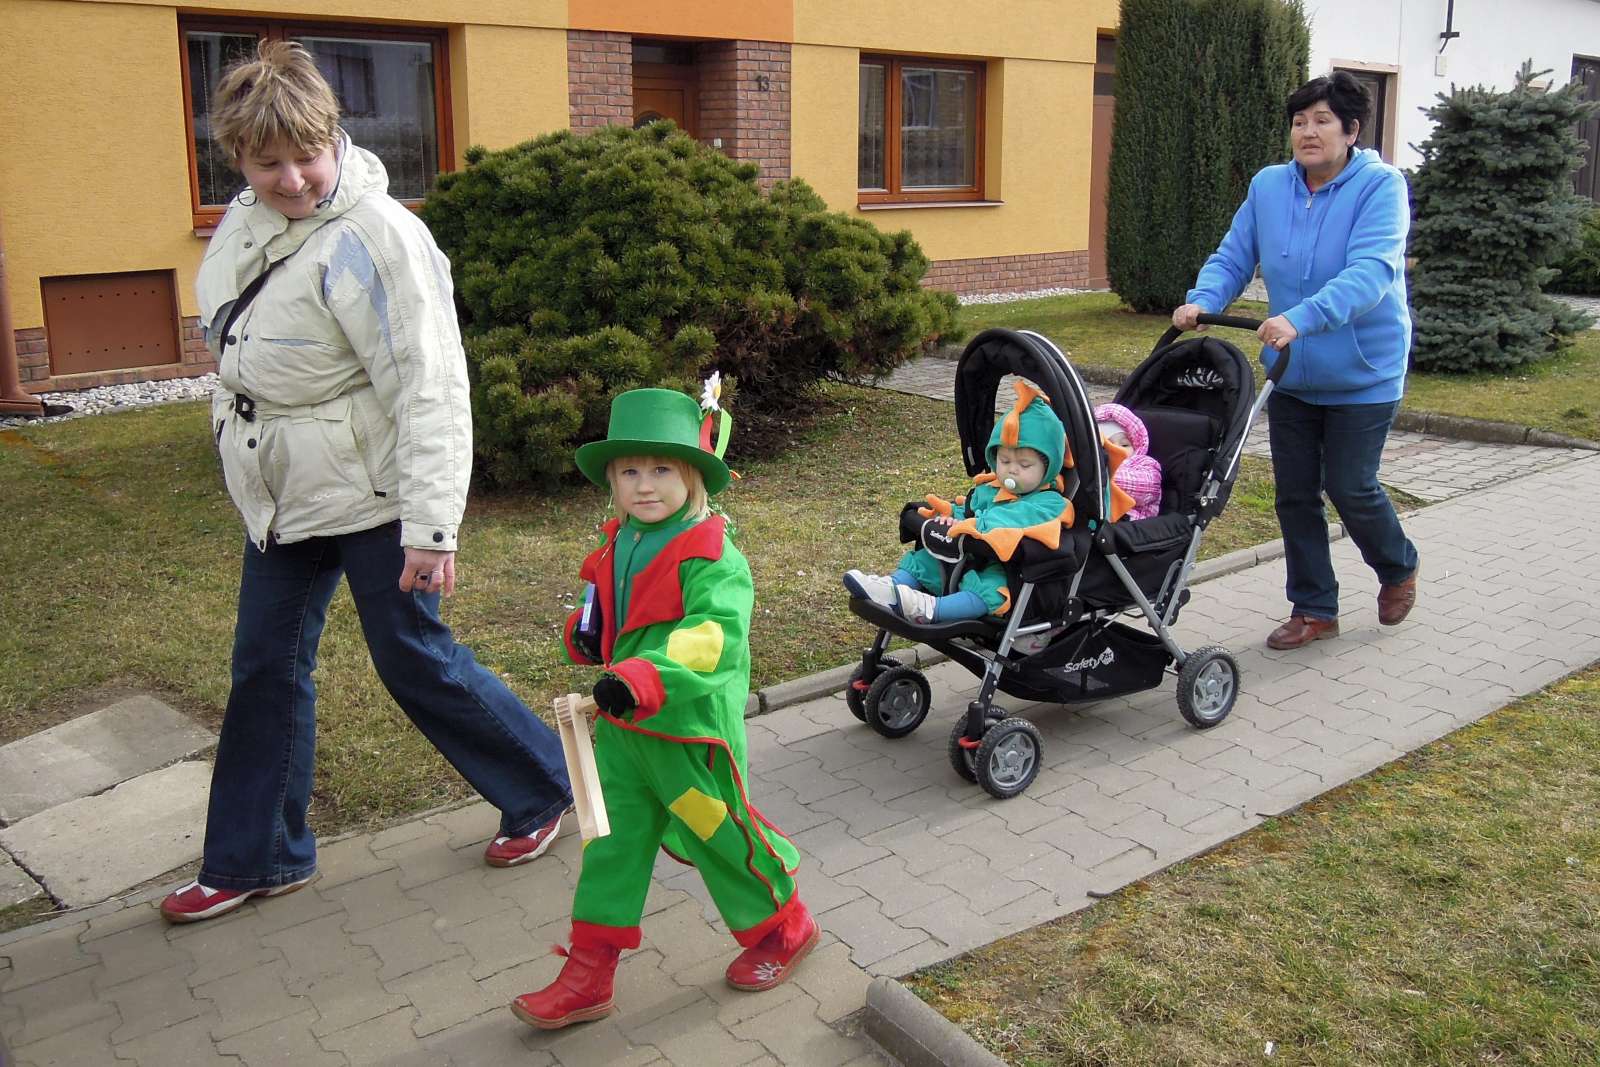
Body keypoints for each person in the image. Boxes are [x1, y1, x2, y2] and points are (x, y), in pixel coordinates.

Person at [161, 41, 572, 924]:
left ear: (334, 136)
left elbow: (431, 386)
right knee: (264, 666)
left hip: (379, 495)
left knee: (411, 656)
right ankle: (258, 856)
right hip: (286, 492)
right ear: (236, 159)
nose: (292, 180)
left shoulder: (379, 238)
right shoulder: (243, 222)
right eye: (267, 164)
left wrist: (432, 528)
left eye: (306, 156)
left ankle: (545, 785)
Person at [510, 385, 817, 1030]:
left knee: (719, 835)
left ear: (691, 478)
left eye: (660, 470)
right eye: (629, 472)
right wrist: (587, 634)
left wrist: (645, 676)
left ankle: (785, 926)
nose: (644, 485)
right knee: (609, 845)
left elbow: (714, 636)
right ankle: (588, 972)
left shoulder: (712, 553)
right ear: (612, 481)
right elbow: (609, 612)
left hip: (685, 733)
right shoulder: (619, 541)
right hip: (624, 733)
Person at [1173, 71, 1420, 651]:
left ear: (1351, 130)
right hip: (1291, 373)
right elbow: (1234, 255)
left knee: (1351, 486)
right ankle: (1314, 609)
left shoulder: (1380, 187)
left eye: (1322, 121)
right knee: (1295, 494)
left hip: (1363, 372)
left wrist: (1301, 318)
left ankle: (1397, 565)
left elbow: (1371, 274)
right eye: (1299, 121)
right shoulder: (1269, 186)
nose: (1308, 132)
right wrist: (1203, 300)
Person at [843, 380, 1103, 624]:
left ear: (1048, 467)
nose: (1012, 470)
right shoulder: (989, 489)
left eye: (1024, 465)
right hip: (970, 557)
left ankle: (931, 610)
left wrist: (973, 526)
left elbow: (1012, 518)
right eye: (1004, 461)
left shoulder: (1051, 503)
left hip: (1008, 570)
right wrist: (950, 517)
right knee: (925, 559)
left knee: (992, 591)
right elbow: (969, 509)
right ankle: (890, 588)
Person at [1094, 403, 1163, 521]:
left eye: (1125, 445)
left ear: (1135, 445)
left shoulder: (1145, 464)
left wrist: (1098, 475)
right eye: (1108, 445)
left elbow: (1146, 487)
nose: (1119, 449)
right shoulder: (1095, 464)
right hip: (1100, 518)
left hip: (1133, 523)